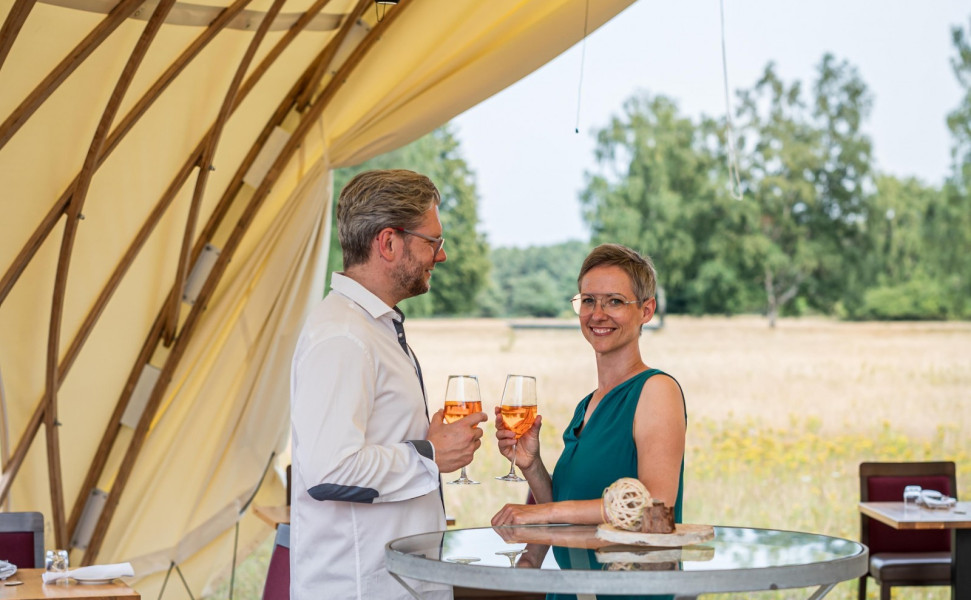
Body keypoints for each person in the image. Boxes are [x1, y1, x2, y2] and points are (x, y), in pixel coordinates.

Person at [290, 169, 487, 600]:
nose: (442, 256)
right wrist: (430, 454)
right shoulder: (343, 337)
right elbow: (329, 472)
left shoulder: (368, 327)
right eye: (433, 242)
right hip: (362, 588)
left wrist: (425, 440)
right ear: (389, 242)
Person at [491, 243, 686, 600]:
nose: (598, 314)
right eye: (588, 300)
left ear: (646, 310)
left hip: (630, 594)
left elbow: (654, 508)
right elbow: (570, 508)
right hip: (572, 591)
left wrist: (537, 514)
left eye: (614, 301)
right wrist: (532, 467)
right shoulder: (586, 406)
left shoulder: (656, 390)